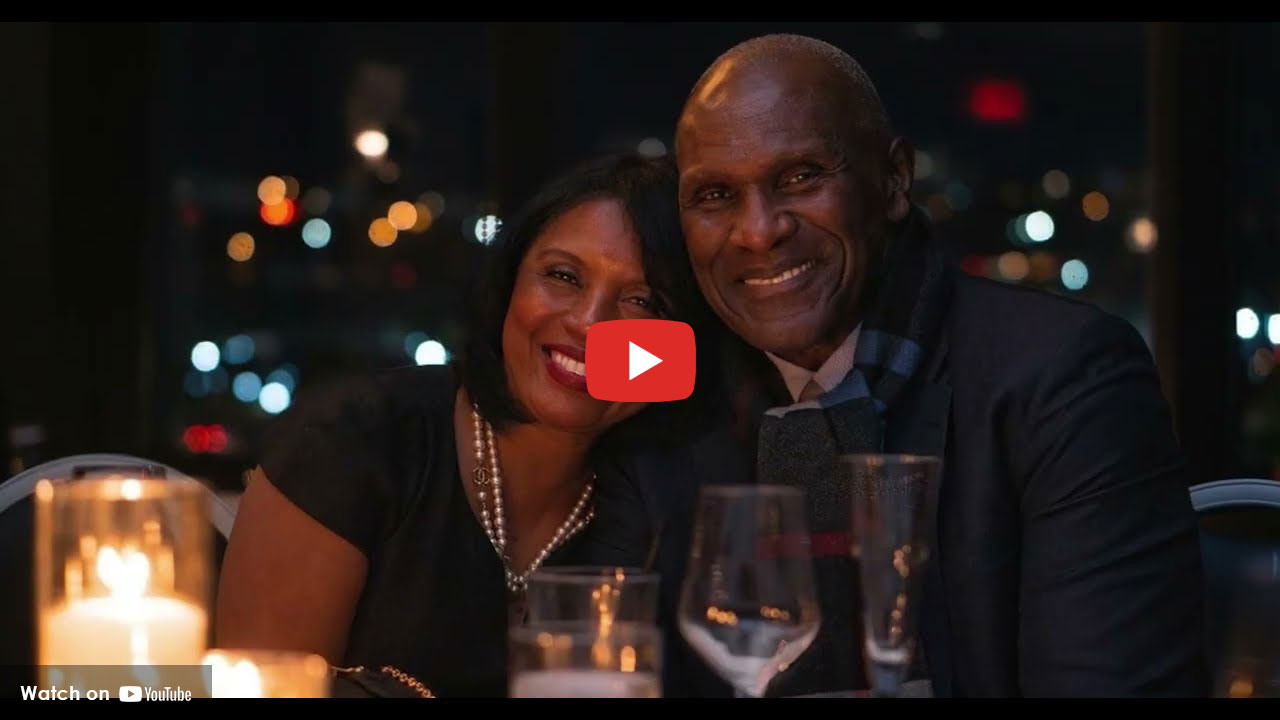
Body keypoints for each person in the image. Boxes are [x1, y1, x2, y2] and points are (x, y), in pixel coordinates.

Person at [640, 33, 1207, 697]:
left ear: (894, 181)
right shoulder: (672, 404)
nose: (759, 231)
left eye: (799, 178)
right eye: (714, 196)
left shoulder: (1063, 378)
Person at [214, 153, 715, 697]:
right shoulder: (352, 442)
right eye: (562, 276)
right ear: (509, 288)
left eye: (641, 300)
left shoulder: (666, 499)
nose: (589, 323)